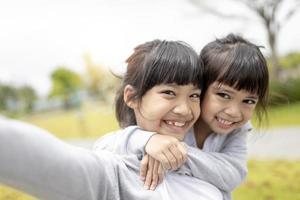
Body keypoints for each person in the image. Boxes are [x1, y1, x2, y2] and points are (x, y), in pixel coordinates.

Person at [0, 40, 223, 200]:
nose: (185, 110)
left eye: (194, 95)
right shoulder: (114, 175)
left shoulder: (207, 163)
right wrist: (141, 139)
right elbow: (37, 156)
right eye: (169, 93)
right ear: (132, 97)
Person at [104, 34, 269, 200]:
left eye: (248, 100)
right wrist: (148, 140)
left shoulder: (237, 129)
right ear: (204, 88)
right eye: (224, 95)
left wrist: (173, 153)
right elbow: (105, 148)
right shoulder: (170, 123)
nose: (234, 111)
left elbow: (233, 174)